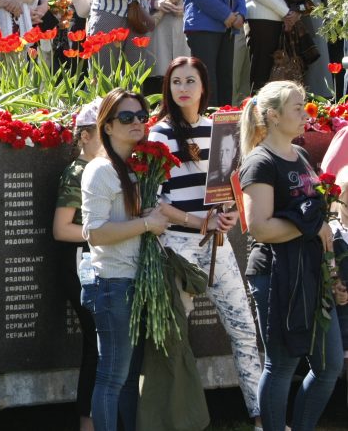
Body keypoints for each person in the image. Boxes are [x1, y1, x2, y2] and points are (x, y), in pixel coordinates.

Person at [147, 57, 263, 427]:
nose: (183, 88)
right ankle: (181, 418)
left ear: (203, 87)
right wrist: (201, 221)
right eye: (176, 81)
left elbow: (228, 188)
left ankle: (262, 416)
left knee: (244, 329)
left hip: (217, 246)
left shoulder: (220, 130)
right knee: (175, 342)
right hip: (176, 248)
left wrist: (228, 213)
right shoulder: (159, 134)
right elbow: (155, 203)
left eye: (190, 81)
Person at [239, 80, 345, 430]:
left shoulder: (299, 155)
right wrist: (309, 227)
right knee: (281, 365)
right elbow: (260, 228)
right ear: (272, 115)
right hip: (275, 274)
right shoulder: (260, 161)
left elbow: (317, 221)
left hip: (312, 271)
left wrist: (333, 274)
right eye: (297, 107)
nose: (305, 113)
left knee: (329, 366)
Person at [80, 88, 168, 431]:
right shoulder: (101, 171)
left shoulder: (138, 167)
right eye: (126, 117)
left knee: (130, 379)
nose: (137, 123)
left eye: (141, 117)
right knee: (112, 377)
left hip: (135, 281)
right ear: (107, 125)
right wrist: (145, 223)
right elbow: (95, 233)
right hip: (112, 282)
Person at [52, 97, 102, 431]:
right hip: (82, 263)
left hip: (101, 260)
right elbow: (61, 228)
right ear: (83, 136)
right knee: (97, 343)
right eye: (103, 130)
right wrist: (107, 234)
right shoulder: (77, 172)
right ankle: (89, 421)